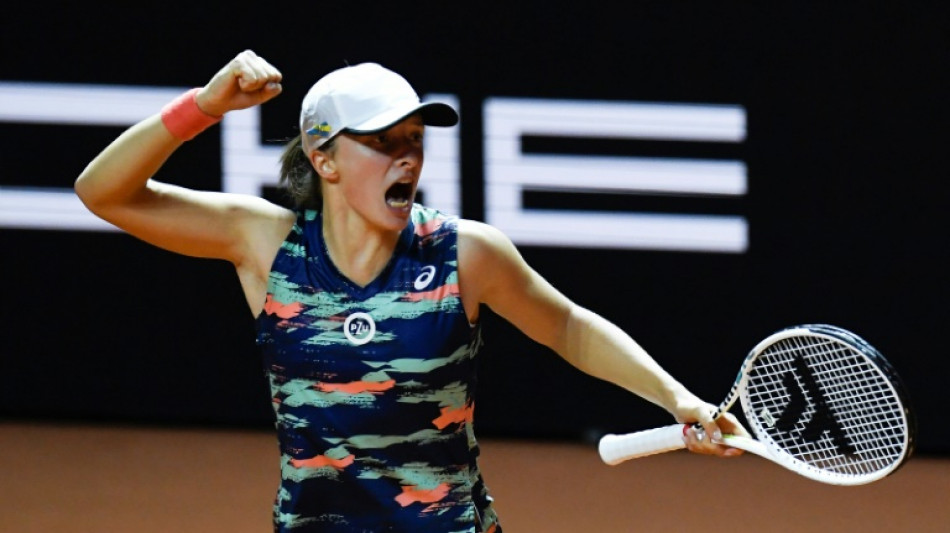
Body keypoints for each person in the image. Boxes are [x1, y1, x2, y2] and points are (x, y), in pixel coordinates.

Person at [75, 50, 746, 533]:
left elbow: (567, 325)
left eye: (414, 139)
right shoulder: (267, 244)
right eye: (381, 140)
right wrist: (203, 106)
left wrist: (678, 397)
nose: (408, 156)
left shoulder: (464, 252)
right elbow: (102, 192)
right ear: (323, 157)